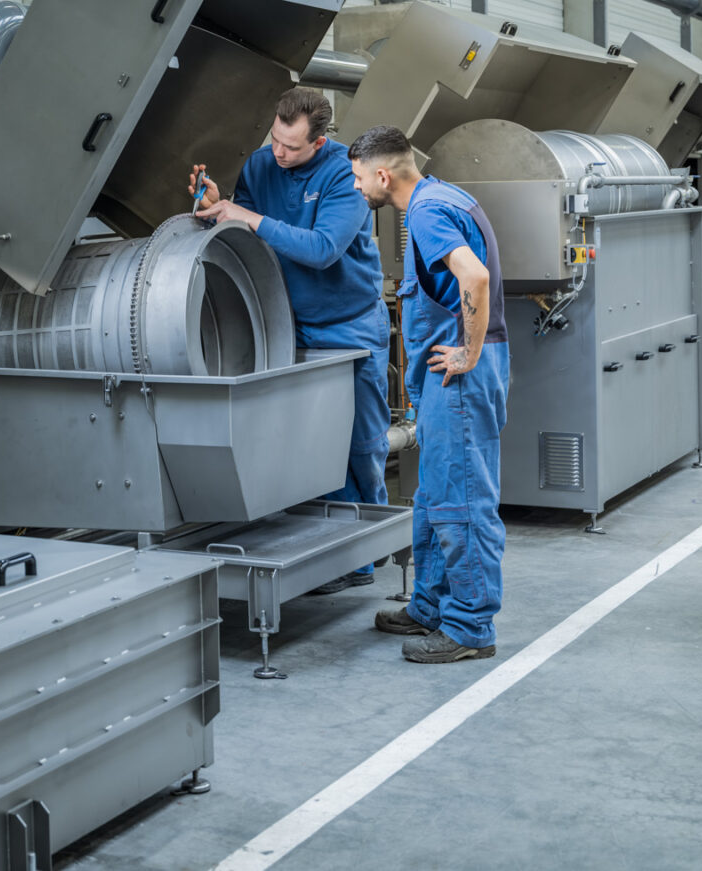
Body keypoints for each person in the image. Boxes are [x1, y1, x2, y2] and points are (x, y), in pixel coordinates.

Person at [192, 86, 390, 594]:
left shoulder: (344, 176)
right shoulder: (260, 166)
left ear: (320, 142)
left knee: (360, 443)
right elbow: (247, 235)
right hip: (287, 322)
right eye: (275, 140)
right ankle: (335, 553)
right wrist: (221, 206)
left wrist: (249, 216)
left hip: (348, 324)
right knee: (311, 442)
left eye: (292, 147)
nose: (279, 153)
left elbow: (323, 249)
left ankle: (371, 546)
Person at [347, 125, 510, 664]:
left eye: (357, 178)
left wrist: (467, 350)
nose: (356, 189)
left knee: (460, 501)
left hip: (457, 379)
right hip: (449, 380)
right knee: (433, 498)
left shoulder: (425, 211)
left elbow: (475, 278)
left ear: (382, 174)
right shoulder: (444, 194)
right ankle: (431, 605)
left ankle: (469, 628)